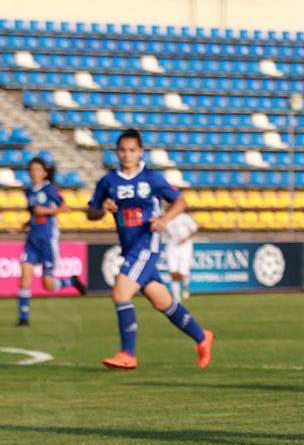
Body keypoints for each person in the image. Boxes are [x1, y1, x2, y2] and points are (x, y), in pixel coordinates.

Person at [85, 129, 214, 369]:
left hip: (147, 244)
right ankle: (202, 337)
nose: (127, 155)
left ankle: (128, 354)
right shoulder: (108, 181)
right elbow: (91, 213)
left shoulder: (151, 178)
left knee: (121, 294)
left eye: (132, 150)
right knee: (162, 302)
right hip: (129, 246)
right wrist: (103, 207)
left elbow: (181, 201)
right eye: (122, 150)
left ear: (140, 152)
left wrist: (164, 220)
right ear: (117, 152)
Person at [15, 156, 86, 326]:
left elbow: (64, 207)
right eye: (31, 170)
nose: (34, 173)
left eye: (38, 170)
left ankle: (72, 281)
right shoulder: (29, 192)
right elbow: (34, 215)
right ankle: (23, 318)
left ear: (45, 173)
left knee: (47, 284)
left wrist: (45, 211)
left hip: (48, 238)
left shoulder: (49, 189)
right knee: (24, 276)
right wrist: (22, 226)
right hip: (32, 238)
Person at [164, 209, 200, 301]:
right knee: (173, 272)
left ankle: (185, 287)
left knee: (183, 273)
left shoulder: (185, 218)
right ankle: (176, 299)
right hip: (172, 245)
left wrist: (186, 238)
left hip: (185, 245)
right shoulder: (166, 218)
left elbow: (195, 229)